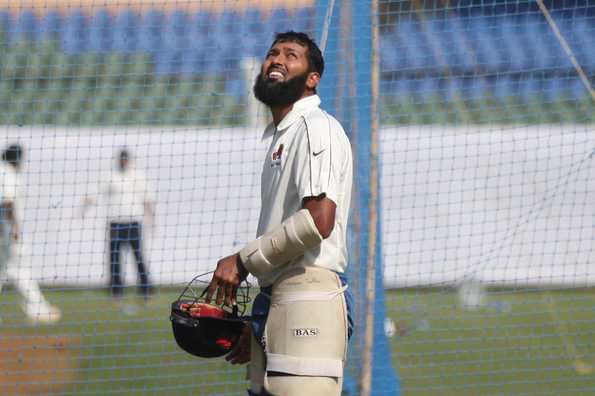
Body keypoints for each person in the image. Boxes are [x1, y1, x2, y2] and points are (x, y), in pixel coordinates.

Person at [206, 31, 354, 396]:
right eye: (273, 53)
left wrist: (243, 261)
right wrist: (262, 320)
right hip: (280, 298)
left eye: (291, 55)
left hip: (309, 295)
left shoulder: (315, 127)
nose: (277, 60)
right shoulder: (282, 134)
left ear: (312, 78)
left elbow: (318, 220)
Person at [0, 144, 62, 325]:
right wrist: (15, 229)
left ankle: (37, 308)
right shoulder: (7, 174)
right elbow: (7, 203)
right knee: (21, 270)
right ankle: (37, 309)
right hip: (8, 232)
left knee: (5, 270)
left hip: (3, 232)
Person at [82, 148, 154, 301]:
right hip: (116, 223)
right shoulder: (111, 176)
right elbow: (95, 192)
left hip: (133, 222)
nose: (123, 161)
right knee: (114, 258)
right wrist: (86, 204)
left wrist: (152, 220)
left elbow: (147, 198)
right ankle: (116, 291)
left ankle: (146, 289)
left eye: (125, 159)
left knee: (139, 256)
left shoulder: (137, 176)